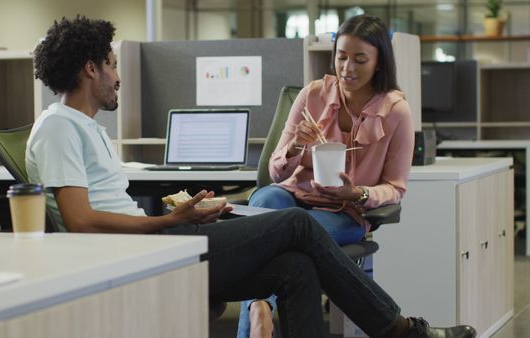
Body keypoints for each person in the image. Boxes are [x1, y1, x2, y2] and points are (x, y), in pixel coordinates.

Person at [26, 15, 476, 338]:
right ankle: (398, 329)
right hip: (147, 253)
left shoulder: (83, 127)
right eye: (111, 64)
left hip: (161, 243)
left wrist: (183, 216)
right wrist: (166, 221)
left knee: (297, 269)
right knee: (295, 223)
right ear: (91, 68)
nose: (118, 76)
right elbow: (81, 220)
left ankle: (395, 329)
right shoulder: (59, 126)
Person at [238, 14, 416, 337]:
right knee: (265, 198)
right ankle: (259, 310)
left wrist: (358, 193)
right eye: (341, 57)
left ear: (379, 63)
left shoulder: (395, 112)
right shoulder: (313, 95)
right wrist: (294, 147)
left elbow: (395, 188)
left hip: (345, 212)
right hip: (293, 196)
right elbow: (274, 171)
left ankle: (257, 308)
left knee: (284, 239)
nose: (347, 68)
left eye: (360, 59)